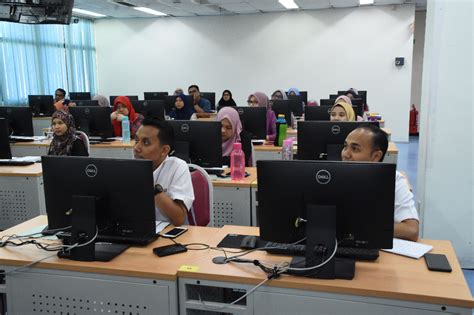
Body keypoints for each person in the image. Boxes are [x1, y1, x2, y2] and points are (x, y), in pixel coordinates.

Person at [341, 124, 419, 241]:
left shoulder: (394, 180)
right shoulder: (332, 175)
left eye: (355, 149)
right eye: (345, 147)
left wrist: (361, 228)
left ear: (376, 156)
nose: (346, 154)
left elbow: (411, 230)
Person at [133, 117, 194, 226]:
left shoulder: (177, 167)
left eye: (146, 143)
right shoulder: (130, 167)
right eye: (136, 140)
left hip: (169, 234)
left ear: (164, 150)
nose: (137, 148)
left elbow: (179, 219)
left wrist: (152, 187)